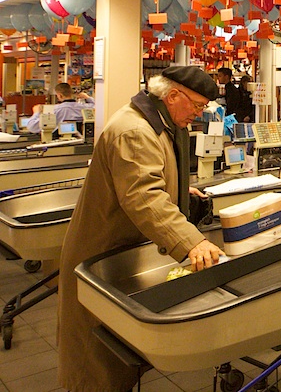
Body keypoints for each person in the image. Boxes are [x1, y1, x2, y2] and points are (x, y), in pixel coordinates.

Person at [58, 66, 224, 392]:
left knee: (116, 357)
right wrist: (192, 243)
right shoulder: (135, 131)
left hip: (120, 254)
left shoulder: (157, 123)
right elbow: (143, 196)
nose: (198, 113)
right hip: (100, 257)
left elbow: (148, 177)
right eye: (196, 105)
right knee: (96, 364)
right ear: (173, 95)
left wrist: (179, 189)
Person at [25, 82, 94, 133]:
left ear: (60, 95)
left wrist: (36, 112)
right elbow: (97, 106)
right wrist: (87, 97)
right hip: (80, 141)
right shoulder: (84, 108)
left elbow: (32, 127)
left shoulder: (55, 110)